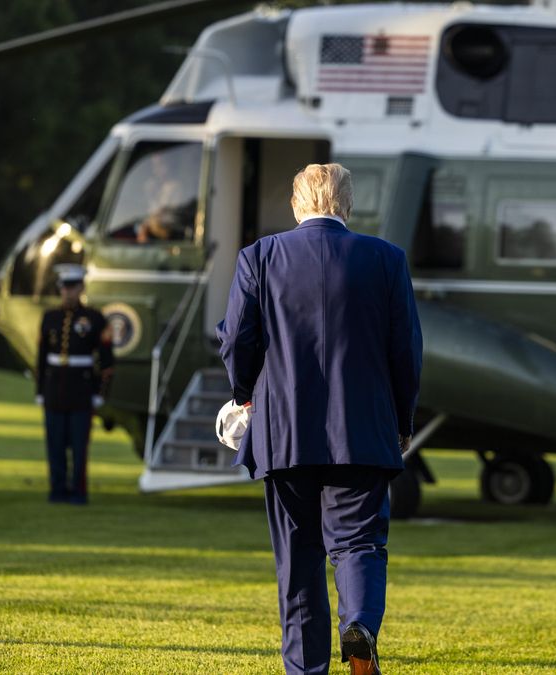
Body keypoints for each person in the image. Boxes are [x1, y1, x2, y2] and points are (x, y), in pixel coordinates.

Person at [217, 163, 423, 675]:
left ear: (295, 203)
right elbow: (407, 351)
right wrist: (402, 420)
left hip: (283, 432)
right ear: (348, 205)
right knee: (359, 544)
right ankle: (359, 624)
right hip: (363, 430)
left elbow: (237, 338)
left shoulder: (259, 257)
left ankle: (306, 671)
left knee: (298, 562)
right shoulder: (387, 260)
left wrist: (244, 393)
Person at [35, 263, 115, 505]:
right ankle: (57, 489)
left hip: (81, 390)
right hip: (54, 389)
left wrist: (100, 392)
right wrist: (40, 391)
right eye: (64, 287)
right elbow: (41, 358)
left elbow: (107, 360)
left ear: (81, 287)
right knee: (55, 443)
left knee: (80, 446)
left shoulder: (95, 318)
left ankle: (78, 491)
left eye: (72, 287)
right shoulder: (50, 318)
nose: (67, 292)